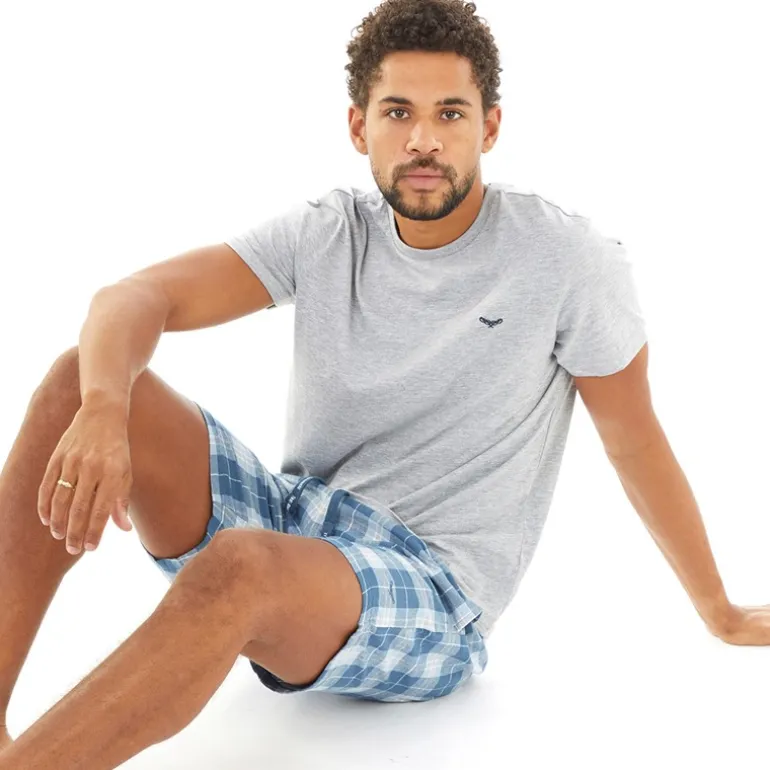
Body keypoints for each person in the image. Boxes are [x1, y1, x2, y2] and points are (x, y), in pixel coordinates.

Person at [0, 0, 756, 766]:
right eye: (399, 112)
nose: (424, 139)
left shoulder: (566, 261)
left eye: (450, 113)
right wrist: (104, 408)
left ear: (490, 128)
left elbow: (633, 438)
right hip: (298, 526)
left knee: (242, 565)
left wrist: (718, 609)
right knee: (78, 381)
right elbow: (135, 297)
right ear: (359, 127)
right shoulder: (331, 232)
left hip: (430, 587)